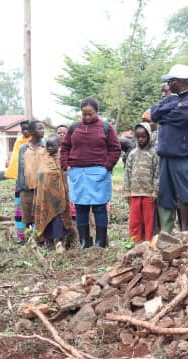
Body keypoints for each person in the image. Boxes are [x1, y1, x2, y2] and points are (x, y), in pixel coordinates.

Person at [150, 64, 188, 233]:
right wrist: (173, 107)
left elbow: (180, 118)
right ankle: (166, 233)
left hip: (185, 155)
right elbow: (154, 113)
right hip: (166, 155)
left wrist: (165, 115)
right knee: (165, 195)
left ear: (178, 81)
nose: (168, 85)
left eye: (170, 81)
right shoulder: (171, 99)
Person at [60, 97, 121, 248]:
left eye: (90, 114)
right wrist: (66, 165)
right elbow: (65, 147)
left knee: (99, 207)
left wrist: (107, 166)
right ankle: (84, 242)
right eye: (84, 114)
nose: (87, 117)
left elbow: (115, 149)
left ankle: (100, 242)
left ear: (97, 112)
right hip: (77, 173)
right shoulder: (74, 128)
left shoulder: (106, 128)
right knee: (80, 208)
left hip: (99, 173)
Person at [33, 134, 74, 250]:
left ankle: (60, 243)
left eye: (53, 146)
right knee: (47, 220)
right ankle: (49, 243)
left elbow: (66, 176)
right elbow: (40, 176)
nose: (50, 148)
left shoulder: (62, 159)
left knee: (59, 220)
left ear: (59, 145)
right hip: (45, 197)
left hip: (60, 197)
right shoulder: (43, 159)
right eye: (48, 146)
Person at [124, 123, 159, 243]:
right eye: (138, 137)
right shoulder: (132, 154)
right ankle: (134, 242)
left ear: (148, 136)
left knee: (149, 220)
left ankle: (148, 242)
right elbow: (127, 173)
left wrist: (155, 191)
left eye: (143, 137)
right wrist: (127, 190)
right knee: (135, 220)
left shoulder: (153, 153)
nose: (140, 139)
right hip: (134, 193)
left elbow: (157, 174)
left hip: (149, 194)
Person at [5, 120, 32, 244]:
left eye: (28, 129)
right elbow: (15, 161)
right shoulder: (18, 142)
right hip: (20, 181)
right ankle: (21, 236)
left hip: (34, 182)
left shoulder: (36, 142)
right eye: (23, 129)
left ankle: (36, 237)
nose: (25, 131)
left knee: (34, 209)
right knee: (20, 209)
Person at [16, 120, 45, 233]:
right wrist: (21, 187)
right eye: (40, 128)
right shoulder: (23, 148)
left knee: (42, 216)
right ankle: (30, 237)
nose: (42, 131)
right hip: (27, 188)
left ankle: (42, 238)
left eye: (43, 128)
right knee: (27, 218)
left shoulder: (46, 146)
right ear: (32, 131)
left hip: (42, 189)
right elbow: (21, 168)